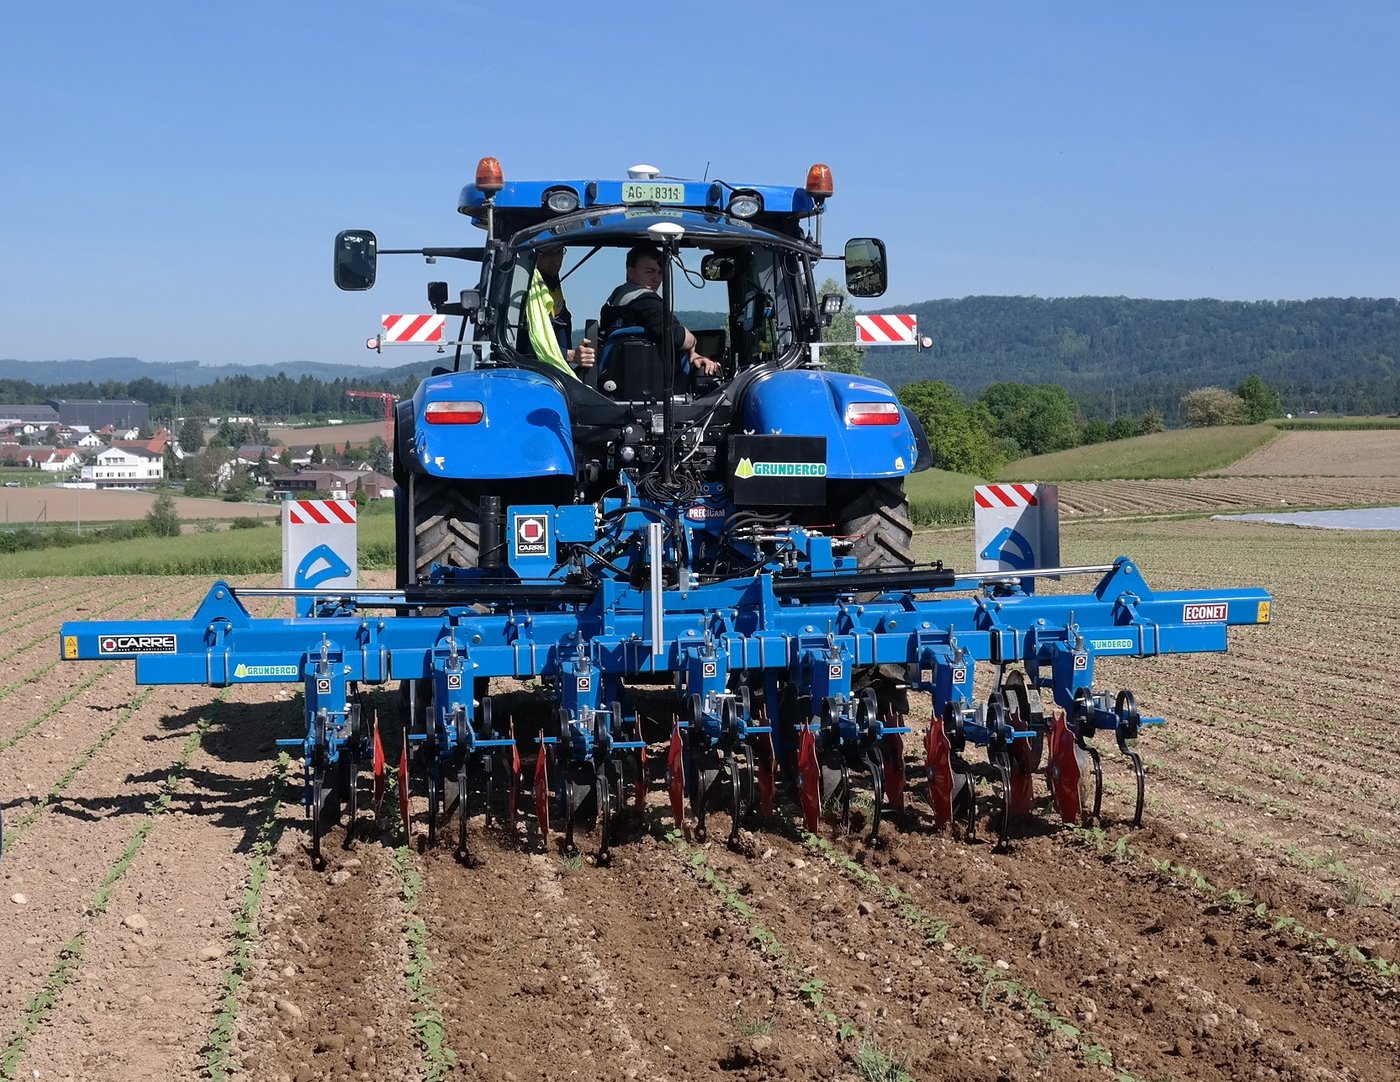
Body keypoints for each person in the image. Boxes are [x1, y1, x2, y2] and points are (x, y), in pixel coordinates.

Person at [599, 244, 720, 379]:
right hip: (654, 383)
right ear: (631, 272)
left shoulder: (611, 304)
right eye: (649, 271)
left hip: (612, 381)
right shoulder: (647, 301)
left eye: (660, 273)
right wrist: (693, 341)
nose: (656, 278)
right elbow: (676, 336)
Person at [524, 244, 594, 378]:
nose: (556, 261)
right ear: (535, 254)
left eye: (559, 252)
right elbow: (527, 342)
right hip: (537, 375)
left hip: (558, 374)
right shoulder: (527, 289)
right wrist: (570, 355)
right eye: (548, 254)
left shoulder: (552, 283)